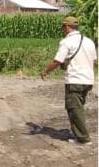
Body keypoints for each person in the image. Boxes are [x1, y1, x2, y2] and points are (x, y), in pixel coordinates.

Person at [41, 16, 97, 145]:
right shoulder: (89, 41)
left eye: (63, 26)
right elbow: (93, 61)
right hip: (88, 80)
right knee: (78, 107)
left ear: (67, 27)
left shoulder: (67, 42)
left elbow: (57, 61)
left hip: (75, 80)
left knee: (74, 109)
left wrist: (45, 72)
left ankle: (83, 138)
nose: (62, 29)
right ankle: (78, 132)